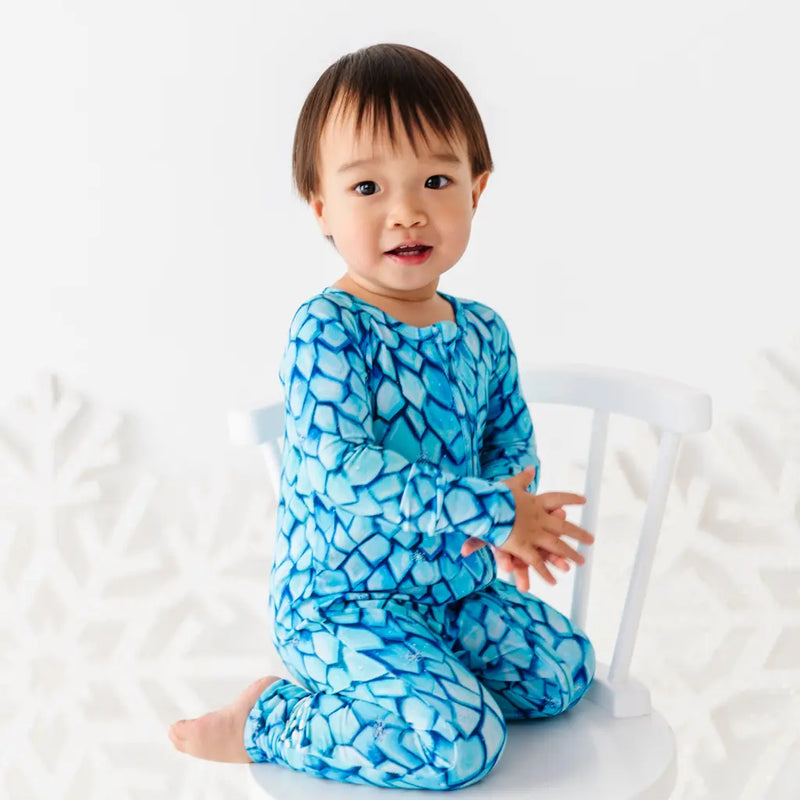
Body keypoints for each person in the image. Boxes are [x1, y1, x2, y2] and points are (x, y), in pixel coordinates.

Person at [169, 42, 596, 790]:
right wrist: (489, 511)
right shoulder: (328, 328)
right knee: (462, 746)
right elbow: (343, 470)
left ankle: (426, 682)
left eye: (436, 180)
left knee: (563, 672)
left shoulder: (481, 330)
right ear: (321, 206)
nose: (407, 212)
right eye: (368, 187)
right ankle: (268, 721)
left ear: (477, 190)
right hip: (345, 604)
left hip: (454, 590)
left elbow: (509, 439)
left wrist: (515, 511)